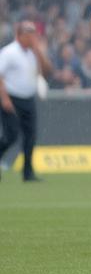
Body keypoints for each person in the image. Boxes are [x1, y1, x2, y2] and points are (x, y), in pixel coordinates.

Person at [0, 21, 53, 182]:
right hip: (12, 98)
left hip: (28, 98)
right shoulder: (9, 52)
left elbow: (47, 71)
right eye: (29, 33)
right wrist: (5, 99)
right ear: (20, 34)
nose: (33, 37)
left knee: (30, 136)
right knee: (11, 135)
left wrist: (39, 52)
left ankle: (27, 173)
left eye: (34, 33)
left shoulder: (33, 53)